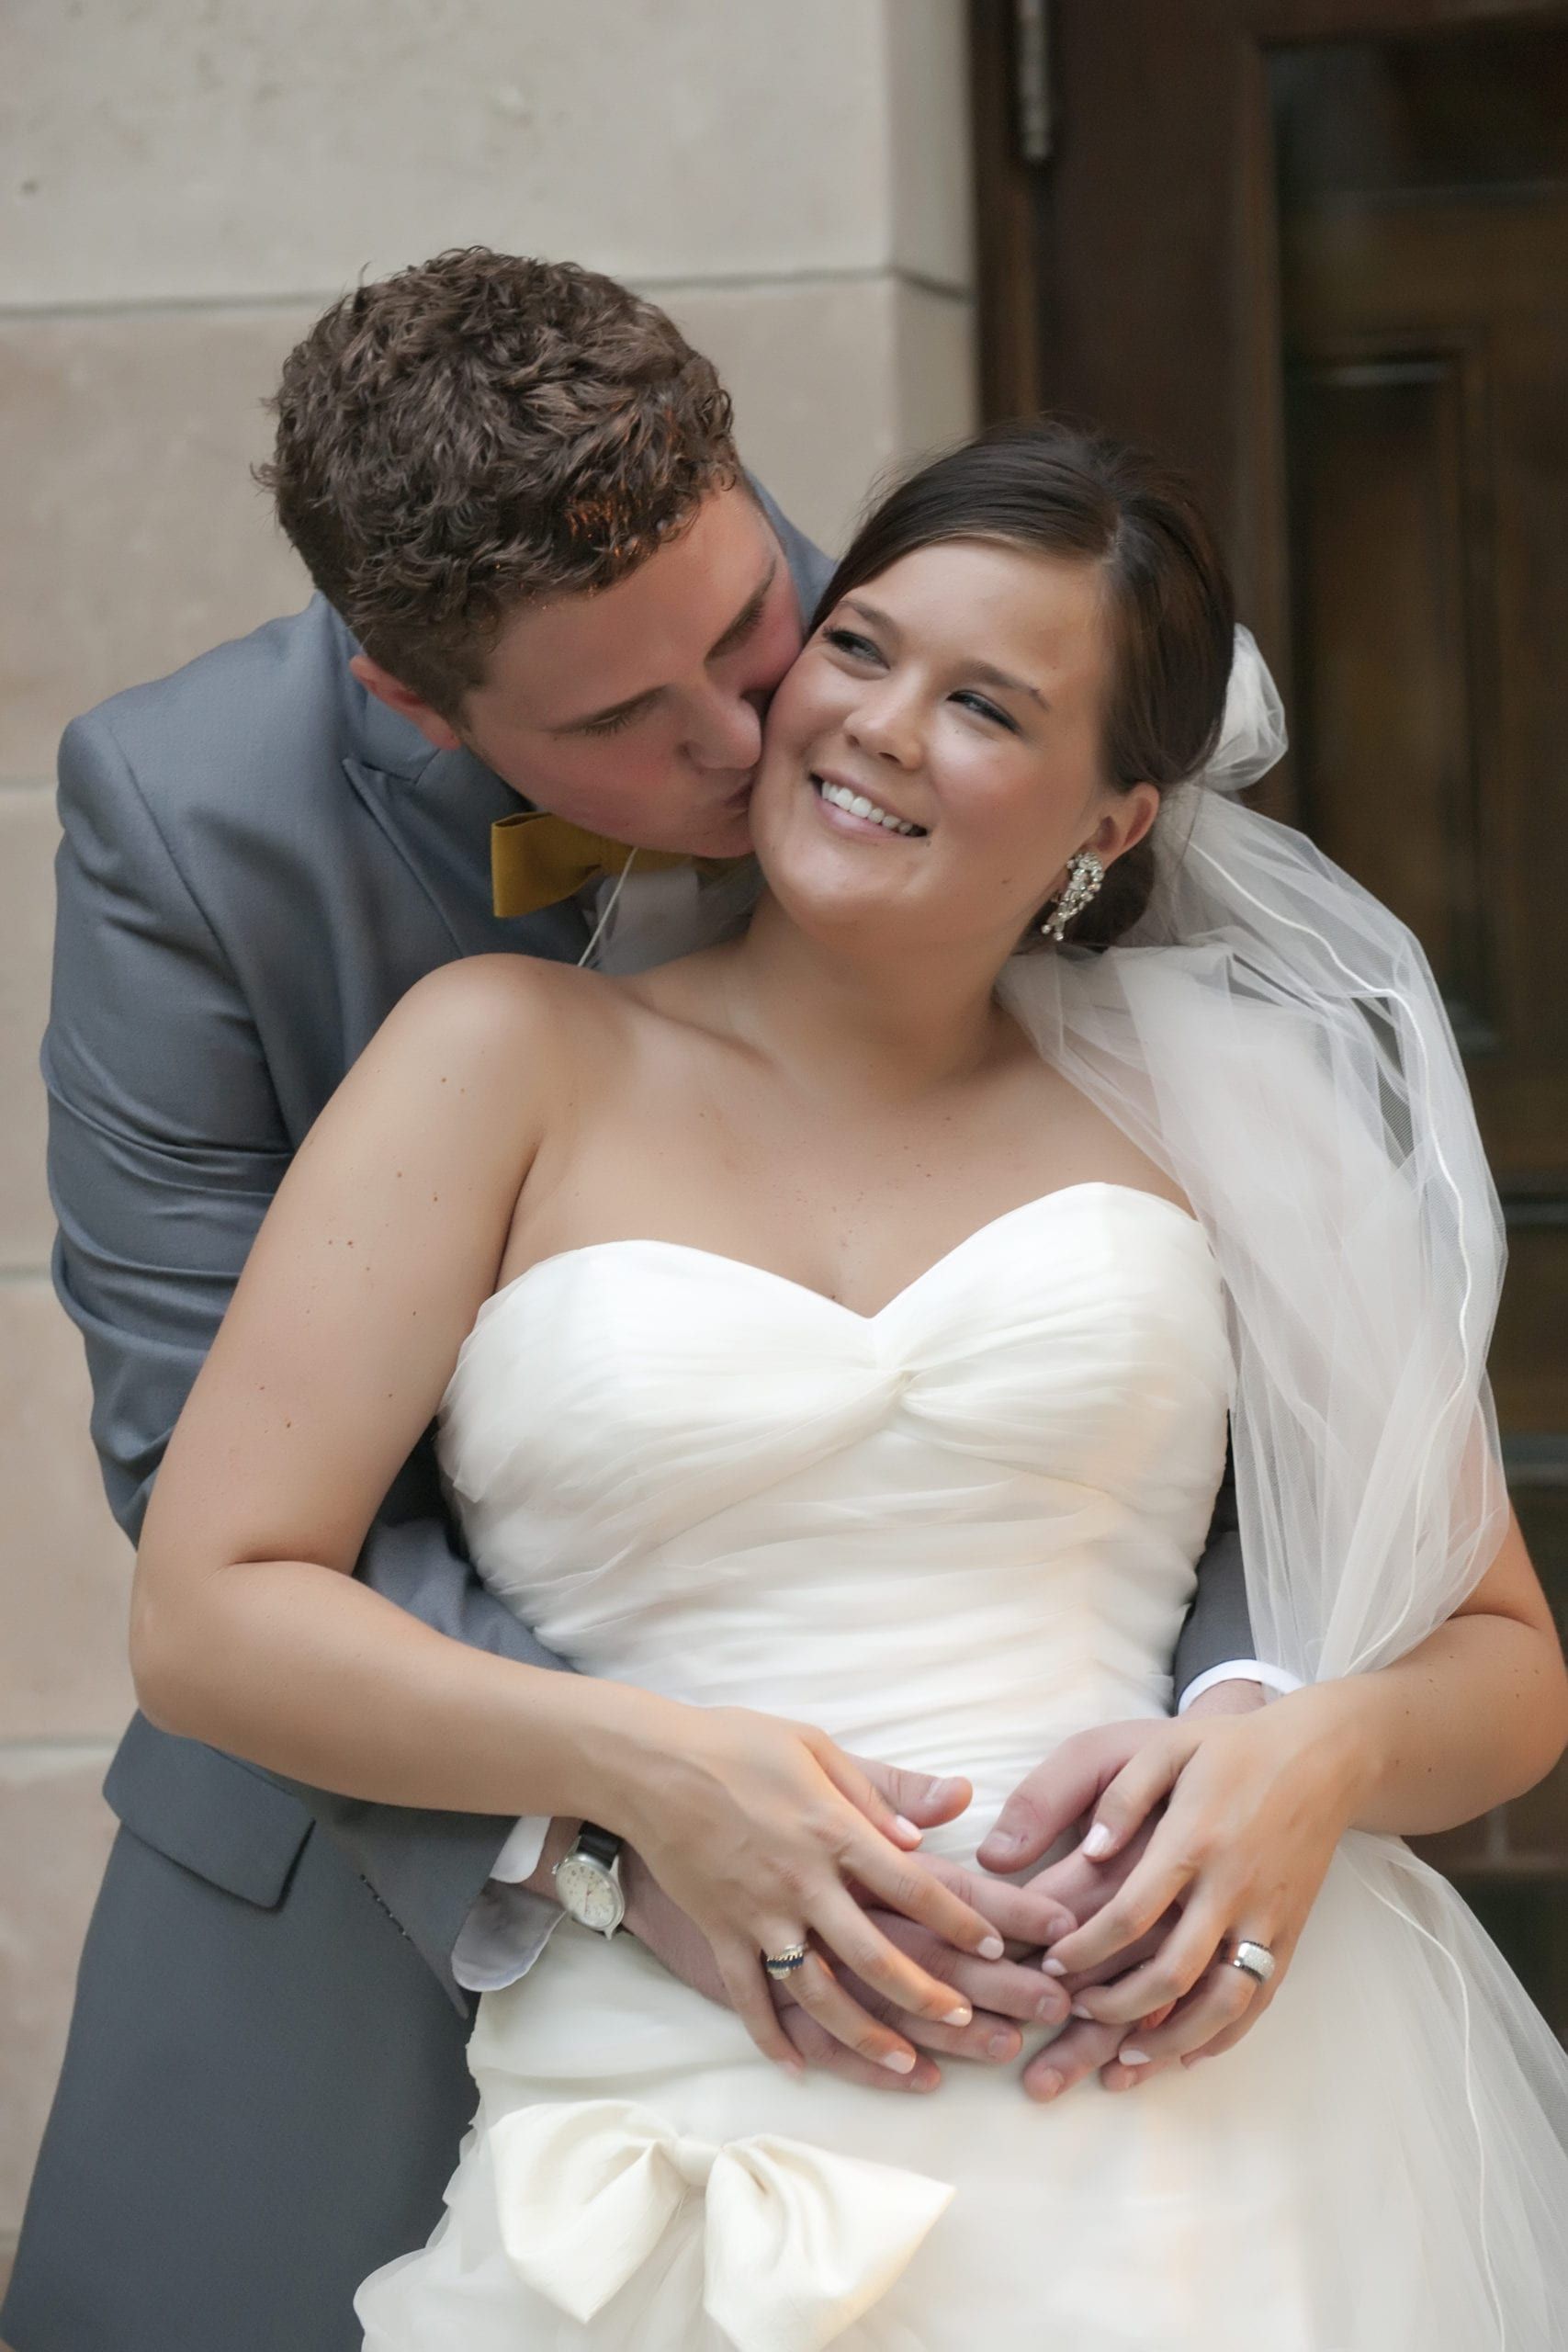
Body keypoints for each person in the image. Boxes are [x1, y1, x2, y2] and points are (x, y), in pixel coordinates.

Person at [125, 418, 1568, 2347]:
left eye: (983, 703)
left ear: (1107, 822)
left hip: (1191, 2107)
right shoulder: (499, 1055)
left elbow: (1500, 1662)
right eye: (862, 645)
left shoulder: (1234, 1119)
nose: (878, 725)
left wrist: (1306, 1752)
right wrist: (638, 1772)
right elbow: (213, 1610)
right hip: (686, 2061)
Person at [5, 256, 1280, 2352]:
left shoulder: (965, 653)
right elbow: (203, 1493)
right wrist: (619, 1819)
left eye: (751, 626)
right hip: (381, 1846)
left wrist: (1192, 1770)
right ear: (415, 704)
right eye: (617, 719)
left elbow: (1196, 1332)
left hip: (1007, 1951)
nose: (753, 737)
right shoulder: (187, 823)